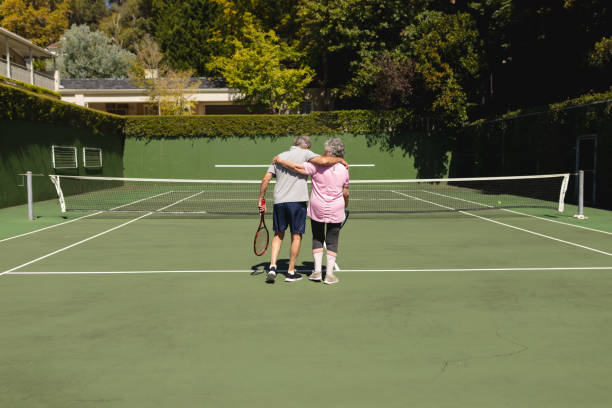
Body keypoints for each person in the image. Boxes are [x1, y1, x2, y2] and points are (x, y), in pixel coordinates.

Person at [259, 135, 347, 283]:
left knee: (279, 234)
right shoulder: (309, 155)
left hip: (281, 202)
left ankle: (273, 266)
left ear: (295, 143)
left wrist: (261, 198)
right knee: (297, 236)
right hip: (299, 203)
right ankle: (292, 272)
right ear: (307, 146)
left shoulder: (280, 156)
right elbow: (326, 163)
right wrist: (340, 160)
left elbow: (266, 179)